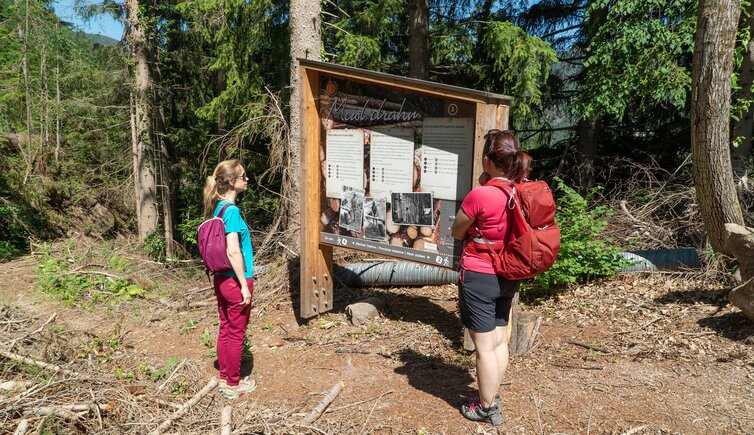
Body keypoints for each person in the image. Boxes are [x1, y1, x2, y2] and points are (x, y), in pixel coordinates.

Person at [451, 130, 532, 426]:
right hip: (509, 274)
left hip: (480, 275)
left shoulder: (480, 195)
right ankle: (492, 396)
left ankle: (485, 407)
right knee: (499, 341)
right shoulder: (520, 191)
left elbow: (457, 230)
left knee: (484, 346)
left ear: (487, 160)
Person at [202, 159, 257, 399]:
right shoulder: (232, 211)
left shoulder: (219, 209)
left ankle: (225, 377)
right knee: (236, 332)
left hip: (221, 280)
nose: (247, 180)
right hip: (236, 280)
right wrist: (245, 285)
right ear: (232, 182)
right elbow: (233, 251)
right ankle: (233, 385)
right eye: (243, 176)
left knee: (226, 327)